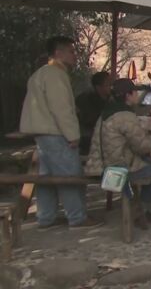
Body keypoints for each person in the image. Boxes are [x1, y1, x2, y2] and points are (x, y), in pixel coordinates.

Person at [20, 36, 102, 230]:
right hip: (56, 132)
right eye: (71, 51)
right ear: (58, 53)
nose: (75, 55)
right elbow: (61, 109)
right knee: (69, 175)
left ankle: (45, 217)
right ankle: (77, 217)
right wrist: (72, 135)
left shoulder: (41, 73)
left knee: (46, 178)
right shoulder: (55, 75)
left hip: (43, 132)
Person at [85, 78, 151, 229]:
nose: (137, 95)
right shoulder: (125, 116)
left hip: (99, 166)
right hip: (117, 170)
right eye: (135, 92)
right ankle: (143, 208)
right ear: (128, 95)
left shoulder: (106, 113)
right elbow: (142, 145)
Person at [76, 71, 112, 156]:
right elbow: (89, 120)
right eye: (108, 84)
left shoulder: (111, 99)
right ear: (98, 87)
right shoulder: (86, 100)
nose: (111, 87)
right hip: (88, 137)